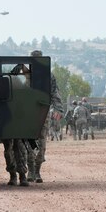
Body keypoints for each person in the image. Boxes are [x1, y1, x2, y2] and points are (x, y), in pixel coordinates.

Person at [26, 50, 63, 183]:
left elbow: (55, 93)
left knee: (41, 142)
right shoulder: (23, 73)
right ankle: (30, 170)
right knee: (27, 142)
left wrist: (58, 109)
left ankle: (37, 171)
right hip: (25, 113)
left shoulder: (48, 75)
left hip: (42, 112)